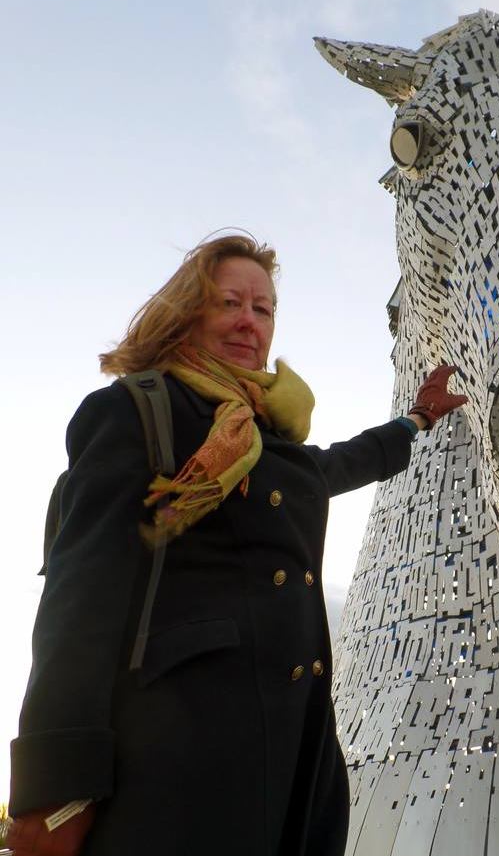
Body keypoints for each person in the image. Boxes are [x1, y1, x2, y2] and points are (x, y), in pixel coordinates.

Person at [8, 233, 467, 856]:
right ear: (188, 311)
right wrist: (54, 787)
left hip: (298, 748)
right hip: (182, 759)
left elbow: (336, 465)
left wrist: (416, 419)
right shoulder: (139, 412)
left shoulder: (262, 434)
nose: (248, 322)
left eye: (263, 308)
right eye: (229, 302)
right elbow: (79, 599)